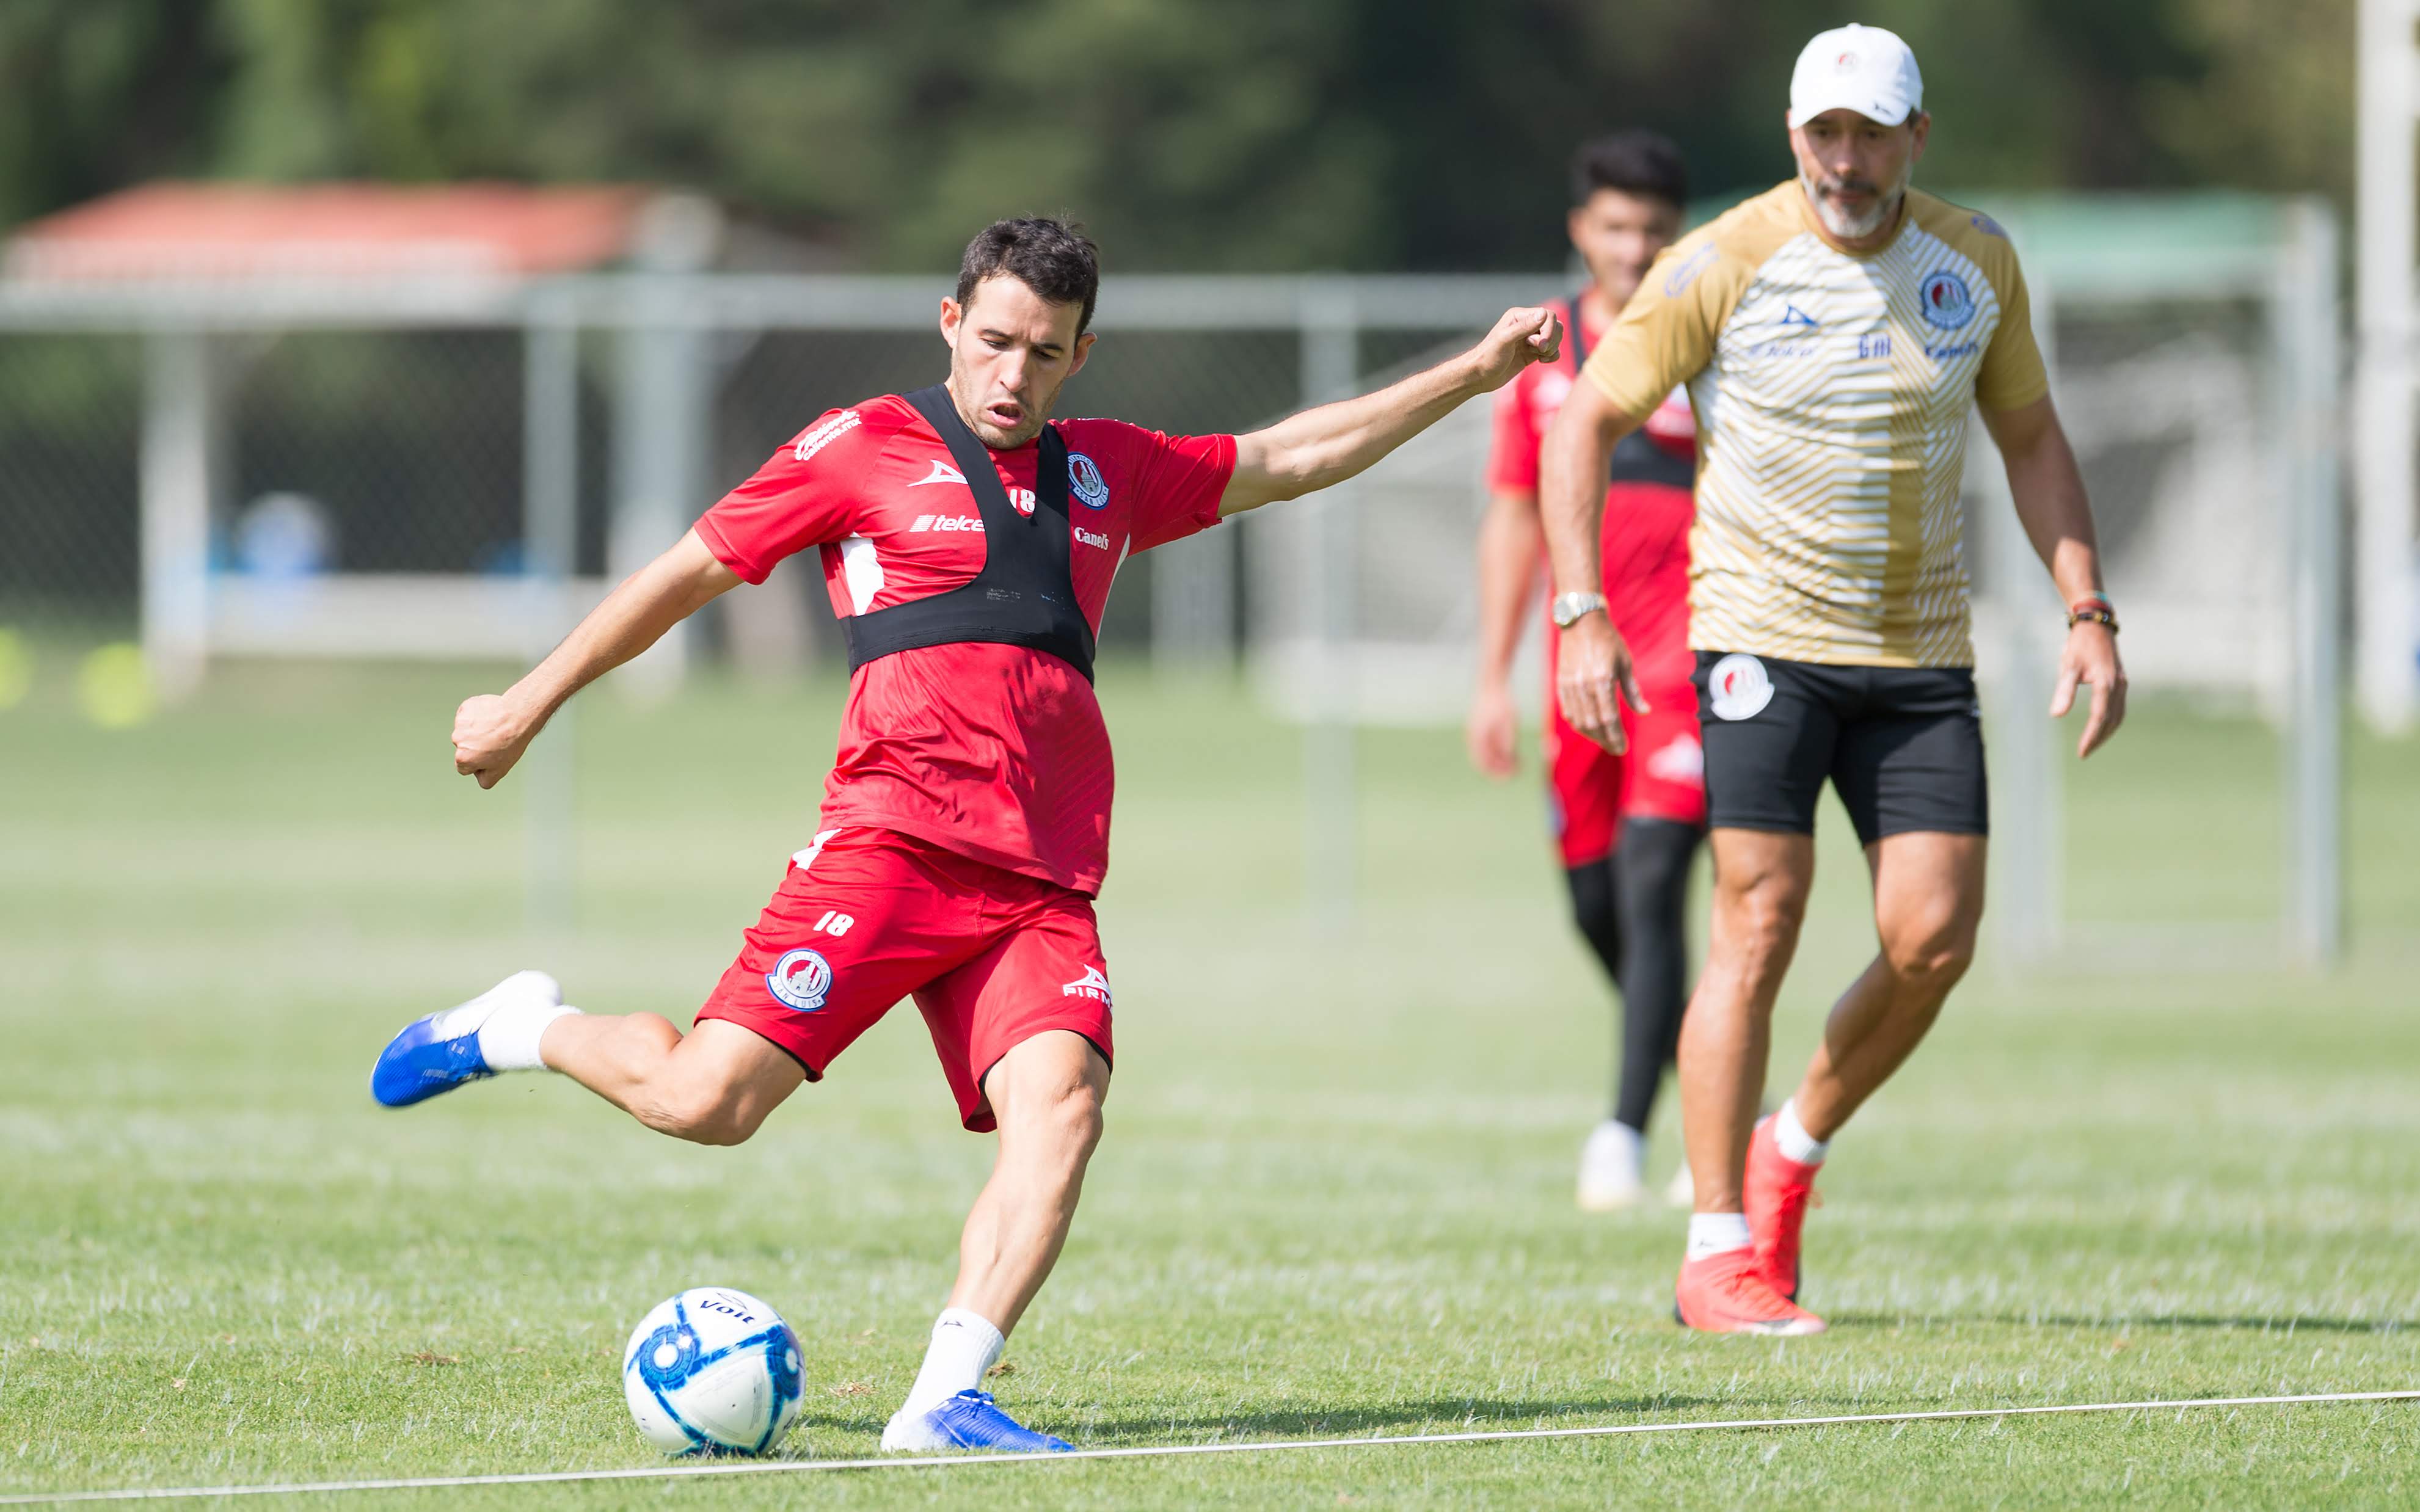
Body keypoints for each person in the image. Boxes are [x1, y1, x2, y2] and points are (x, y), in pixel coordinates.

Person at [369, 217, 1562, 1451]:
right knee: (704, 1102)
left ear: (1079, 355)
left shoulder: (1109, 471)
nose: (1012, 375)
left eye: (1044, 353)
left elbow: (1293, 454)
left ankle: (944, 1397)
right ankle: (517, 1026)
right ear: (950, 322)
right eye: (993, 341)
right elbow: (684, 574)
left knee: (1065, 1105)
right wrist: (526, 702)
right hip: (890, 846)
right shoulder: (858, 447)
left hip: (1041, 880)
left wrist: (1473, 376)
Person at [1539, 24, 2126, 1335]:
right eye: (1823, 135)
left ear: (1917, 137)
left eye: (1869, 136)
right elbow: (1582, 421)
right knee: (1758, 919)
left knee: (1933, 939)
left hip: (1918, 657)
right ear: (1792, 136)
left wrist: (2086, 607)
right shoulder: (1720, 259)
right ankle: (1713, 1251)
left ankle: (1788, 1141)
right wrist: (1580, 612)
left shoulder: (1975, 262)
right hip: (1758, 645)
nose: (1844, 161)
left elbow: (2032, 438)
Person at [1466, 131, 1706, 1211]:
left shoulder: (1704, 340)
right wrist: (1490, 676)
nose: (1633, 247)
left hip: (1689, 663)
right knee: (1593, 903)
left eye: (1653, 229)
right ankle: (1725, 1083)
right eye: (1615, 226)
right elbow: (1513, 518)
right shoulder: (1542, 359)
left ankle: (1623, 1136)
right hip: (1579, 667)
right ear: (1581, 231)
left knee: (1654, 884)